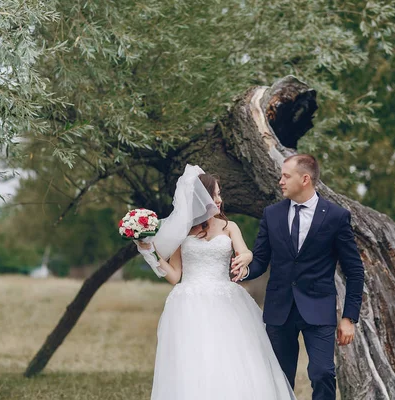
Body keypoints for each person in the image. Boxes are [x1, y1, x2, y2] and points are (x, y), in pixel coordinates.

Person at [137, 164, 296, 400]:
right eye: (215, 194)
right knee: (196, 362)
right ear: (201, 198)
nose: (219, 199)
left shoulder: (229, 227)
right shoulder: (184, 233)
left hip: (226, 302)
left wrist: (246, 257)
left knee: (233, 360)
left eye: (219, 194)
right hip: (190, 305)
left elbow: (245, 252)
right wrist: (149, 251)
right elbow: (174, 275)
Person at [233, 154, 365, 400]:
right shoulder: (271, 214)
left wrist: (349, 317)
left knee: (322, 373)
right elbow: (261, 260)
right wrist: (243, 271)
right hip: (279, 308)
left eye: (286, 176)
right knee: (279, 378)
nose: (280, 181)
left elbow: (355, 271)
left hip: (319, 307)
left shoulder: (336, 217)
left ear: (305, 179)